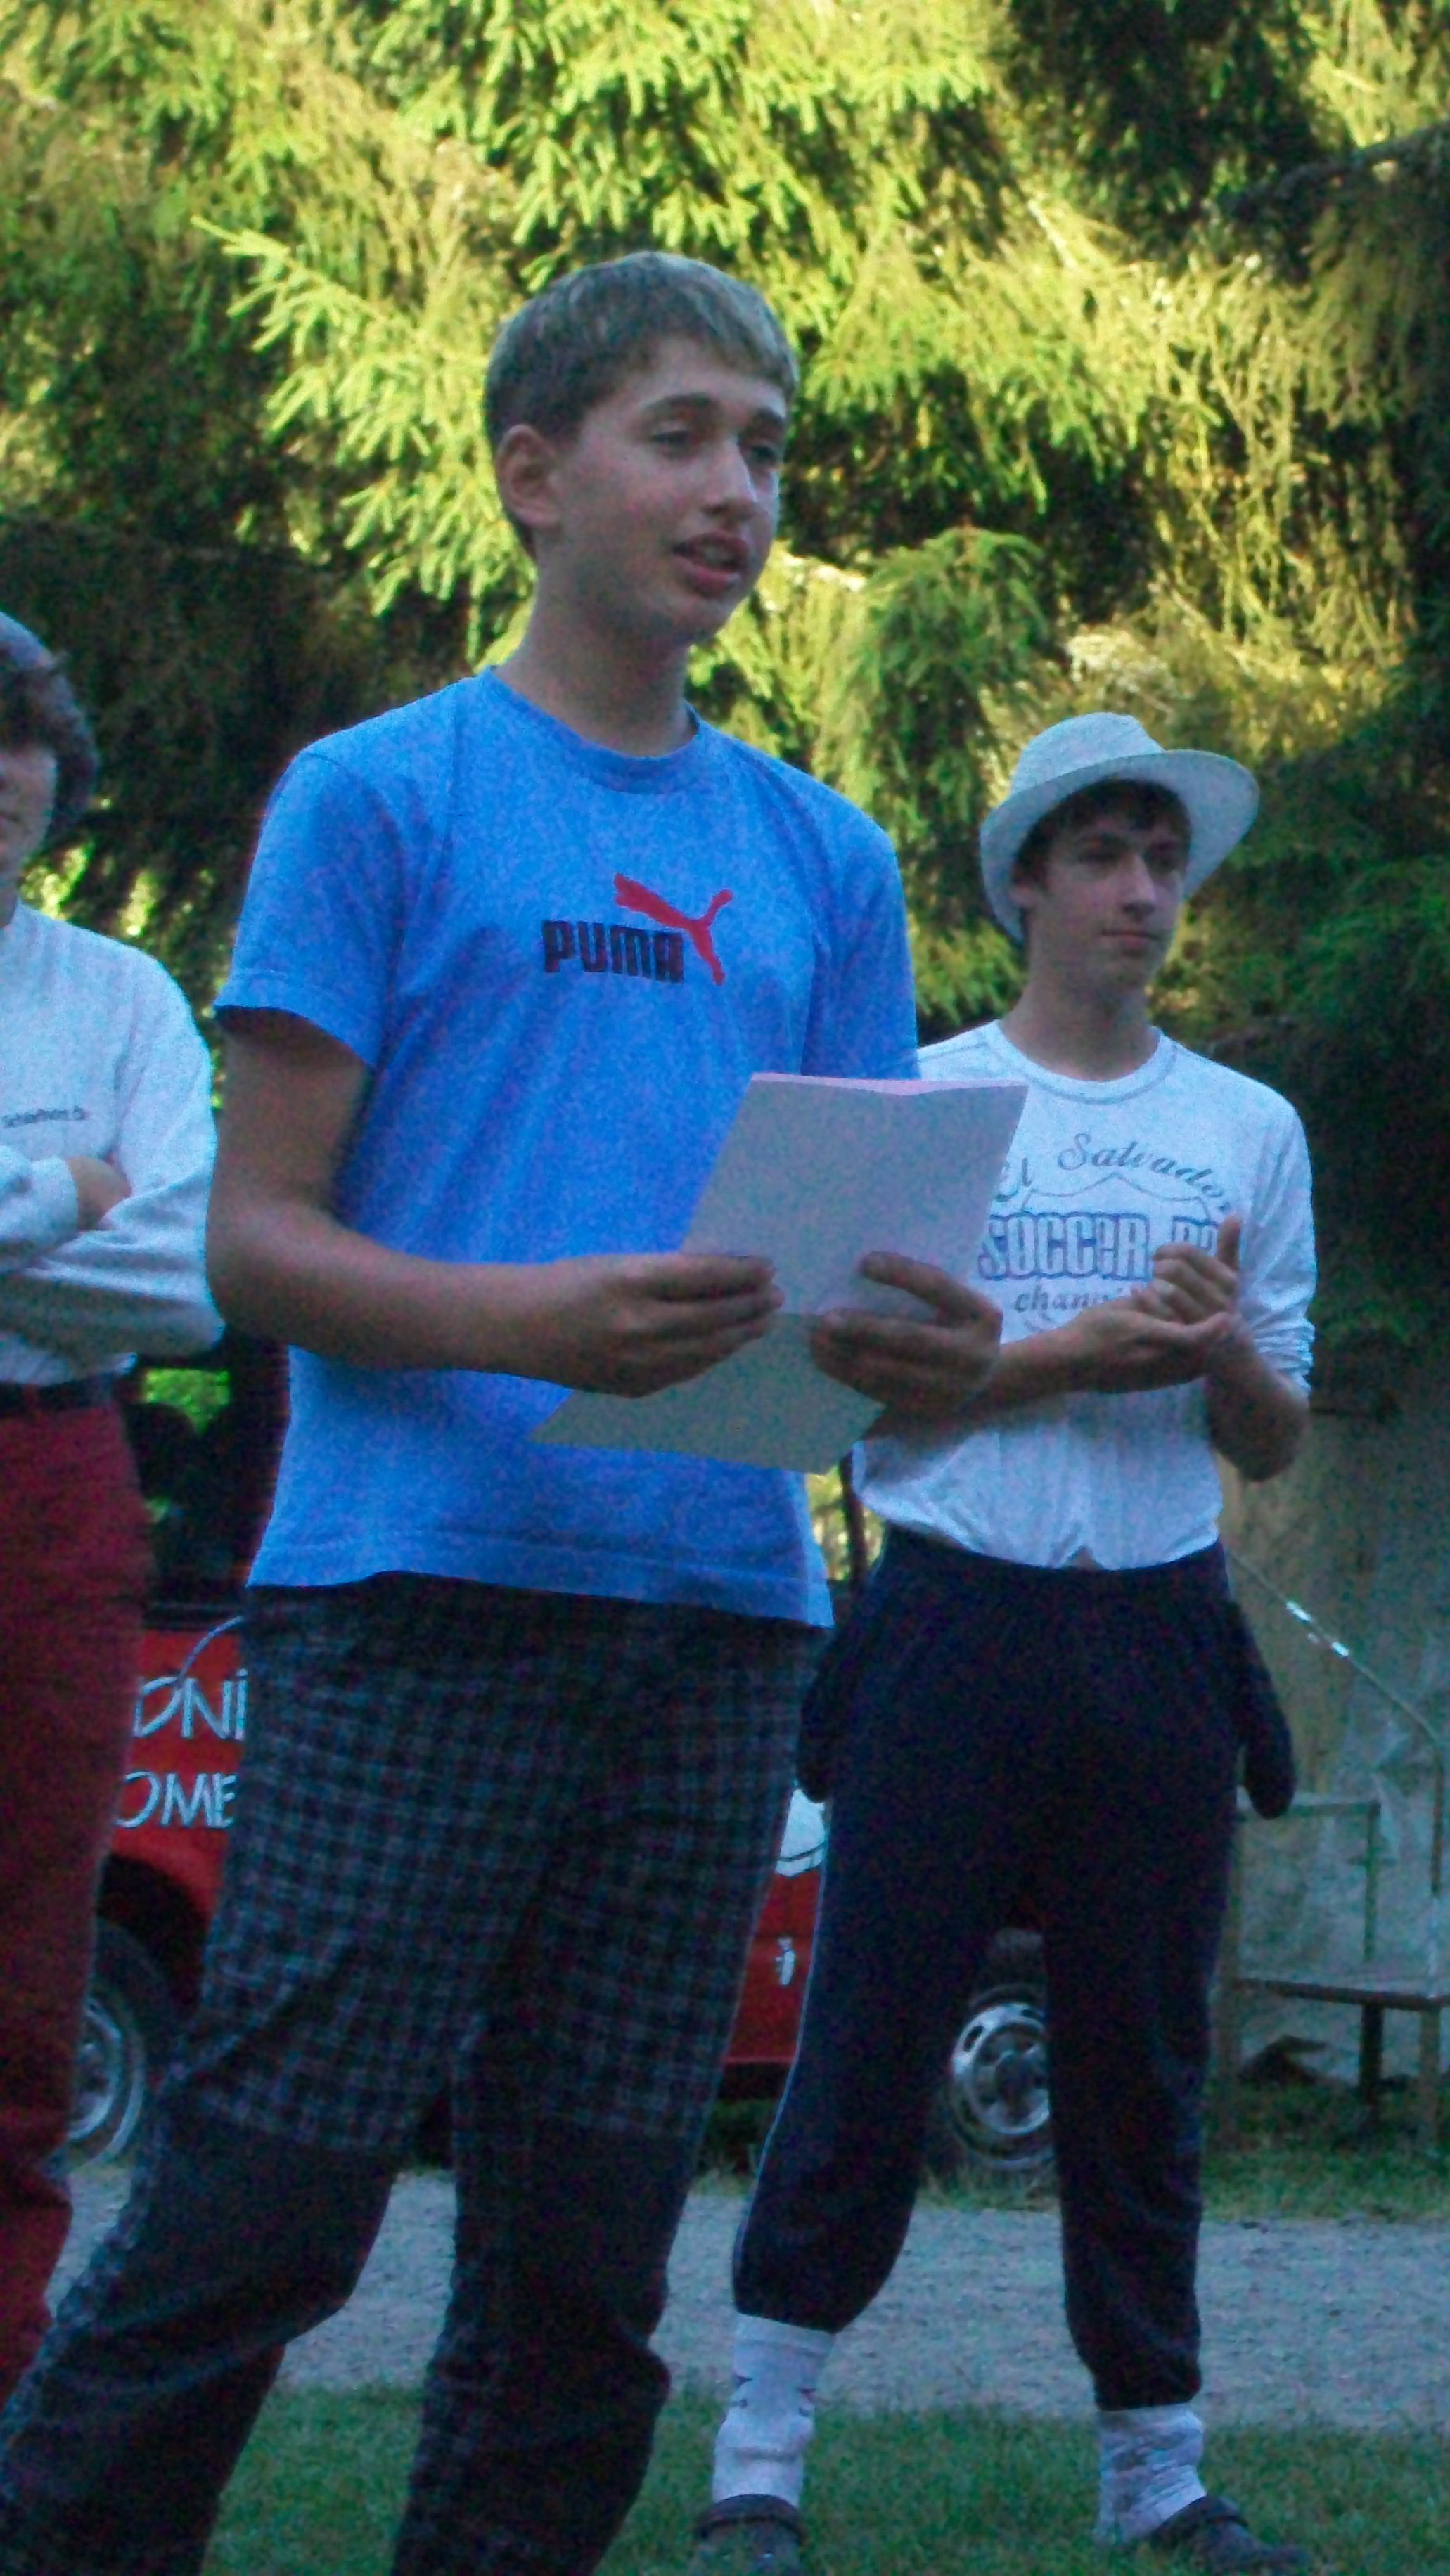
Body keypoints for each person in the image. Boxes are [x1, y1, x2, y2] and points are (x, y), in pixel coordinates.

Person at [0, 254, 1002, 2576]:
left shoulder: (823, 856)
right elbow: (253, 1248)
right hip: (410, 1596)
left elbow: (856, 1255)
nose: (736, 491)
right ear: (533, 474)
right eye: (681, 435)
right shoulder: (379, 796)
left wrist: (919, 1348)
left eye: (765, 449)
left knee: (582, 2273)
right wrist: (524, 1320)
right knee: (260, 2209)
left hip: (717, 1616)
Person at [688, 712, 1316, 2575]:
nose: (1140, 893)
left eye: (1162, 860)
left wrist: (1210, 1348)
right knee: (868, 2032)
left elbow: (1272, 1435)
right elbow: (844, 1396)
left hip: (1155, 1627)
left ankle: (1156, 2472)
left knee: (1140, 2058)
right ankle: (757, 2458)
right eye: (1102, 856)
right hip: (951, 1612)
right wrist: (1075, 1353)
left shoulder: (1243, 1127)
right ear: (1023, 884)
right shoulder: (920, 1103)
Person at [0, 612, 219, 2409]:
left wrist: (108, 1214)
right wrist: (64, 1187)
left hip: (59, 1485)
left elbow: (187, 1284)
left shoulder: (120, 997)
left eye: (17, 742)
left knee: (24, 1961)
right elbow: (112, 1235)